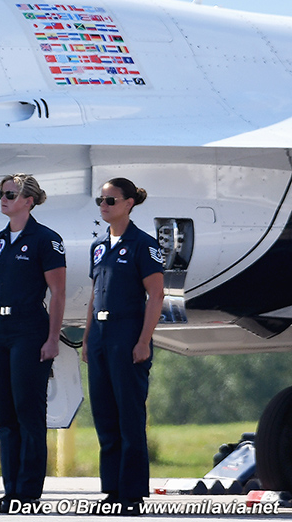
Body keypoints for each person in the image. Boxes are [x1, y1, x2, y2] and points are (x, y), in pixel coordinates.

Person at [0, 174, 66, 512]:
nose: (3, 199)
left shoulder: (46, 240)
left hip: (30, 327)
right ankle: (10, 490)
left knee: (28, 412)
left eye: (10, 194)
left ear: (29, 200)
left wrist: (52, 339)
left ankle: (29, 493)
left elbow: (58, 292)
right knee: (4, 416)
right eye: (1, 194)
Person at [82, 178, 164, 516]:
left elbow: (156, 295)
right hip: (101, 334)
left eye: (110, 200)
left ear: (128, 203)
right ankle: (112, 488)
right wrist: (87, 338)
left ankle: (131, 493)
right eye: (101, 200)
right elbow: (93, 295)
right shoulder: (99, 245)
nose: (104, 205)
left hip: (127, 331)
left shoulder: (143, 245)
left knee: (129, 415)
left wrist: (144, 340)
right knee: (104, 414)